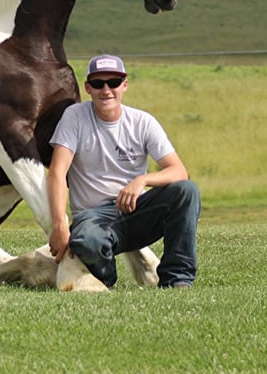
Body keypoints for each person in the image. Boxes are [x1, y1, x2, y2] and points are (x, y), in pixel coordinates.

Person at [47, 54, 201, 289]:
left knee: (186, 191)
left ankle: (177, 279)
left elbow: (179, 170)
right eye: (98, 83)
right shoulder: (74, 117)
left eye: (114, 82)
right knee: (87, 239)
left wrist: (143, 180)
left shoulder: (142, 122)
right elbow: (57, 172)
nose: (106, 90)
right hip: (93, 217)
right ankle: (103, 280)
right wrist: (59, 224)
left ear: (125, 85)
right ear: (88, 88)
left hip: (136, 211)